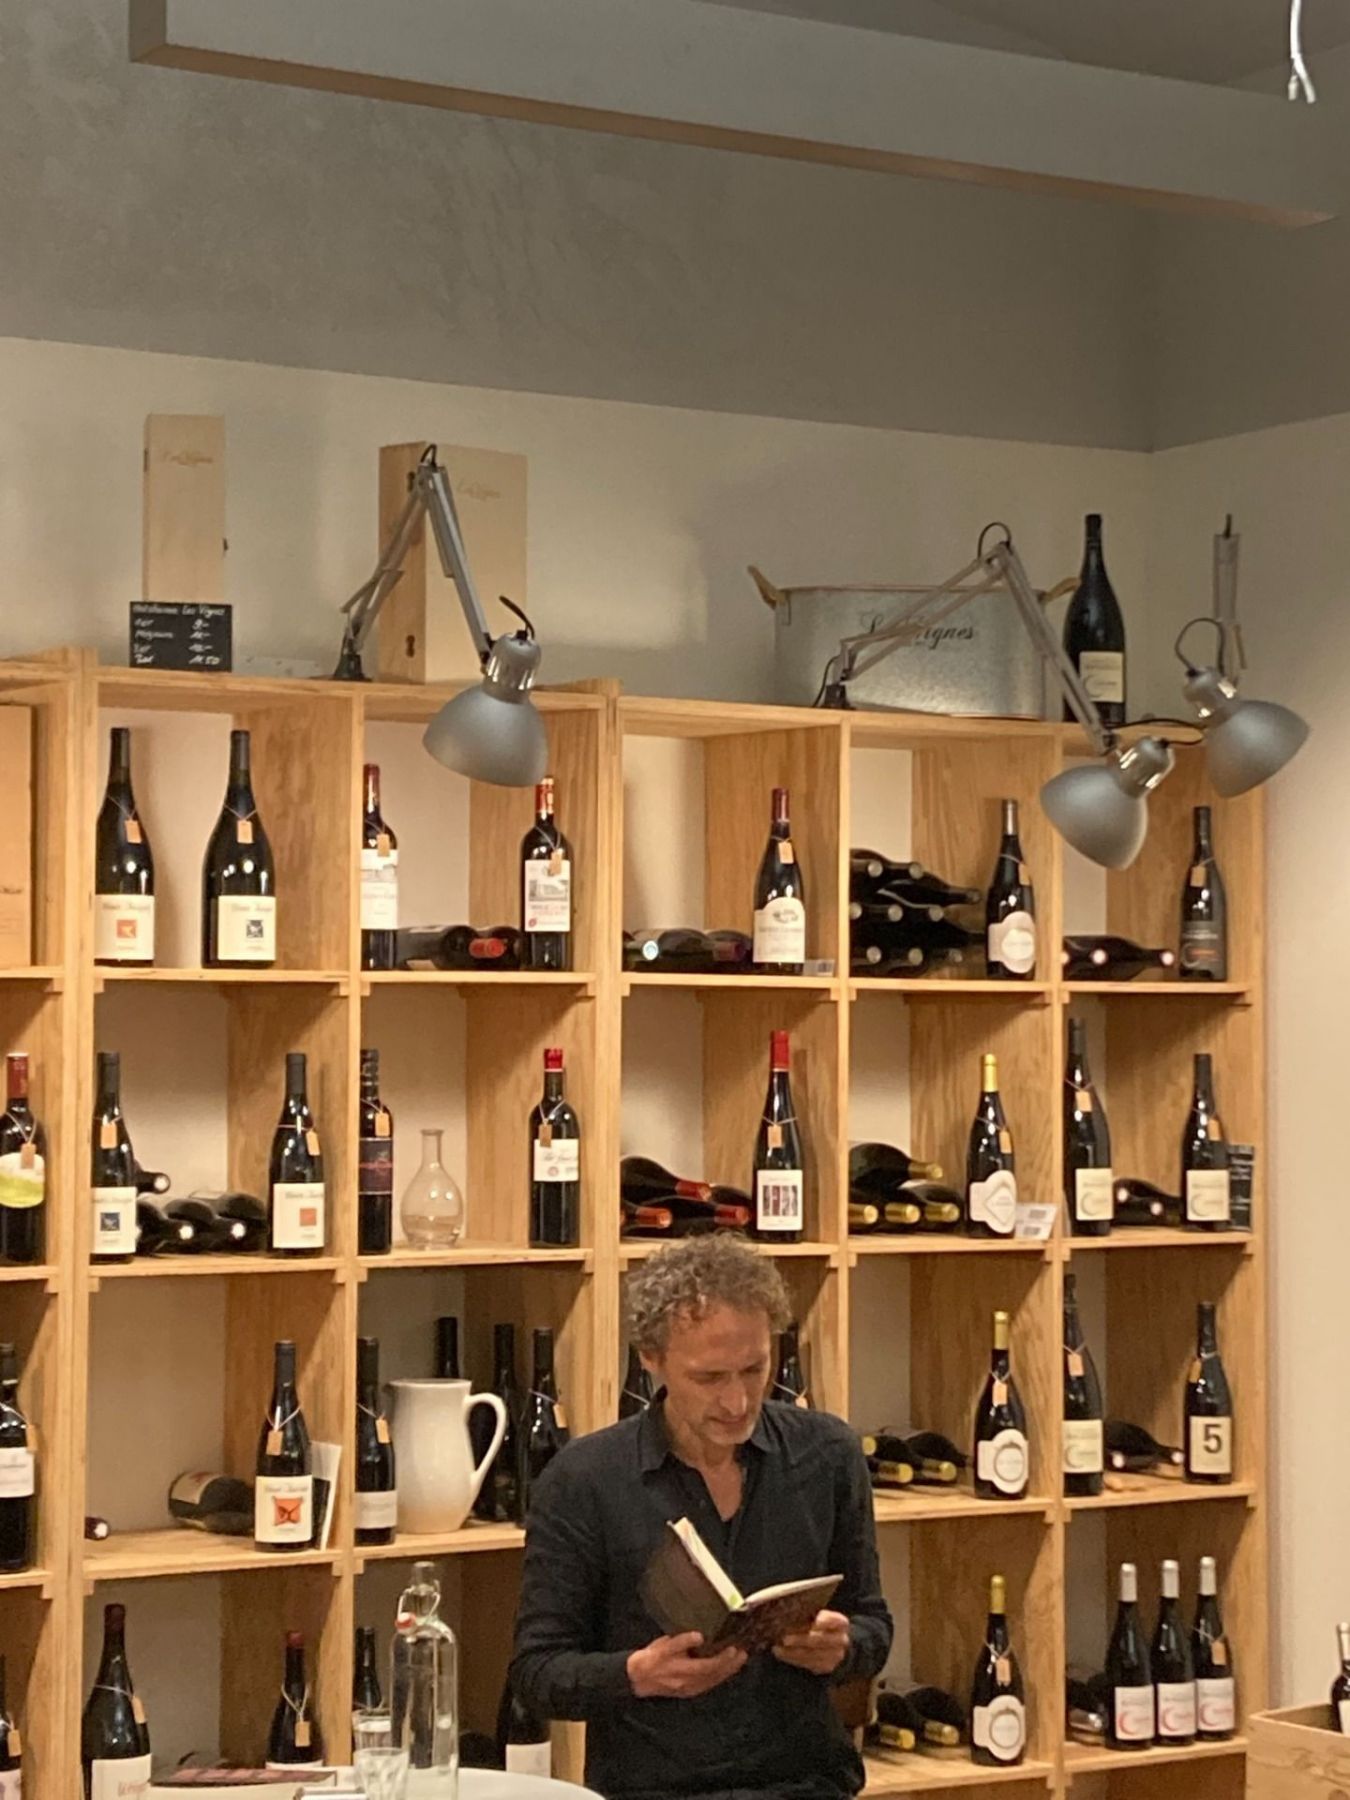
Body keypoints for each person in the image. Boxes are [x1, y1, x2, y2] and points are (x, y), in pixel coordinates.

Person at [510, 1234, 893, 1800]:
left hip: (807, 1784)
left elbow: (873, 1622)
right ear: (651, 1358)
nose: (737, 1402)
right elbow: (537, 1673)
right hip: (657, 1790)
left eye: (754, 1369)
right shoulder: (584, 1479)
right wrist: (636, 1674)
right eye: (710, 1378)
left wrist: (843, 1647)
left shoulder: (828, 1454)